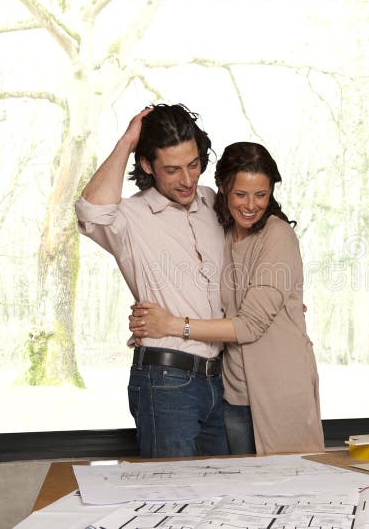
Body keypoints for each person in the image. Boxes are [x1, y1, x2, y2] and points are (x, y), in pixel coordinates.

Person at [129, 142, 325, 455]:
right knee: (235, 497)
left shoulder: (277, 236)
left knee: (286, 493)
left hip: (280, 391)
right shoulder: (222, 234)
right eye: (241, 194)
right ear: (222, 188)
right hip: (233, 395)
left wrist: (168, 324)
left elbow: (248, 325)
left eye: (261, 195)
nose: (251, 205)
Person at [75, 104, 229, 458]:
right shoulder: (128, 217)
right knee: (170, 498)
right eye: (173, 170)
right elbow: (90, 211)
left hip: (223, 381)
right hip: (166, 381)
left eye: (193, 165)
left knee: (221, 498)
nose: (188, 180)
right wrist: (128, 141)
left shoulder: (211, 202)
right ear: (147, 165)